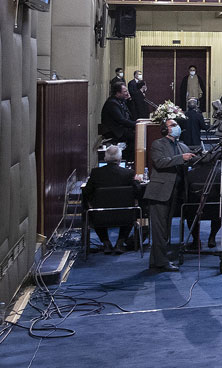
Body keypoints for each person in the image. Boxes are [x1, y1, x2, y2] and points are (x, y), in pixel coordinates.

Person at [145, 119, 195, 271]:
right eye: (172, 125)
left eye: (176, 125)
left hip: (175, 191)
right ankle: (161, 262)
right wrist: (182, 158)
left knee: (165, 228)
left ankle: (157, 260)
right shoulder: (158, 144)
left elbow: (192, 161)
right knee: (159, 229)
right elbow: (159, 162)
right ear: (164, 129)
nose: (176, 127)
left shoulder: (182, 145)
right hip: (160, 192)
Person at [82, 145, 140, 252]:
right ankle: (120, 243)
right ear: (119, 159)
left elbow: (86, 192)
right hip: (125, 215)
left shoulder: (96, 173)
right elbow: (137, 191)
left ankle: (106, 243)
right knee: (131, 210)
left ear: (105, 159)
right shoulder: (129, 173)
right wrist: (136, 181)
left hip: (100, 215)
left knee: (93, 210)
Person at [99, 83, 136, 149]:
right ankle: (130, 158)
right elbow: (121, 120)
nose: (127, 93)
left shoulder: (121, 101)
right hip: (115, 131)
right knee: (136, 137)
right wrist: (136, 124)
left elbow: (131, 115)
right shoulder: (112, 103)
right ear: (118, 93)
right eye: (125, 91)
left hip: (122, 129)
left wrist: (129, 100)